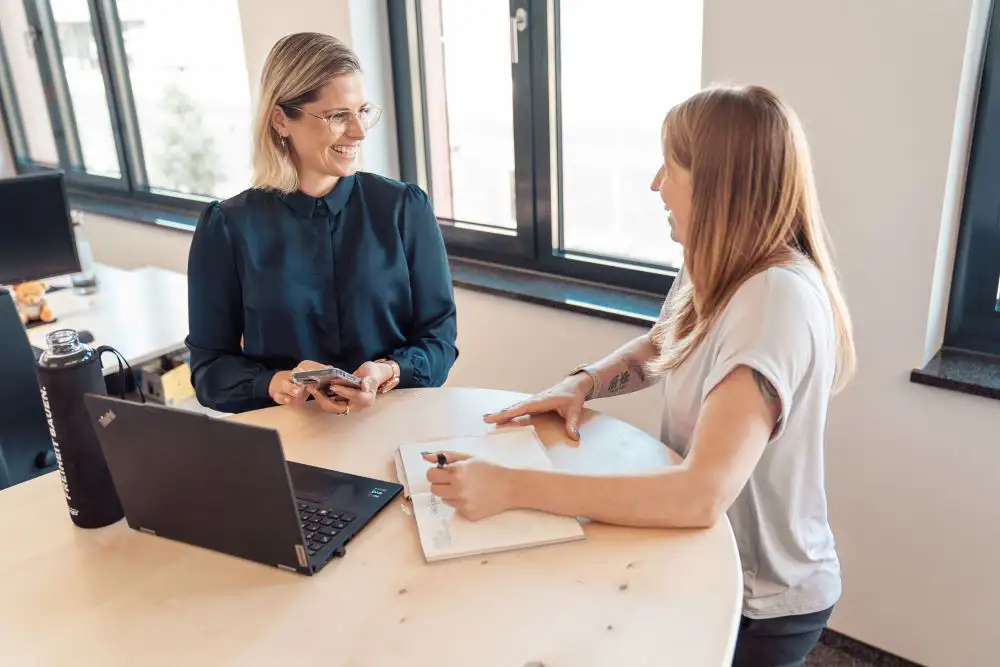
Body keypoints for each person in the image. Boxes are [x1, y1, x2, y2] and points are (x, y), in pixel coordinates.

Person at [421, 84, 856, 666]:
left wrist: (512, 486)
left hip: (762, 599)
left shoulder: (773, 300)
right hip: (706, 555)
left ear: (717, 184)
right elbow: (664, 344)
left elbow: (701, 495)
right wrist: (583, 382)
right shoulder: (720, 266)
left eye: (669, 167)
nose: (656, 185)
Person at [185, 32, 458, 415]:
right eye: (338, 116)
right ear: (281, 119)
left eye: (362, 111)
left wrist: (388, 371)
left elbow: (439, 338)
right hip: (288, 444)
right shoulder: (228, 227)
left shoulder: (404, 208)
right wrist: (282, 382)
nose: (359, 132)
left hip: (391, 425)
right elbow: (209, 370)